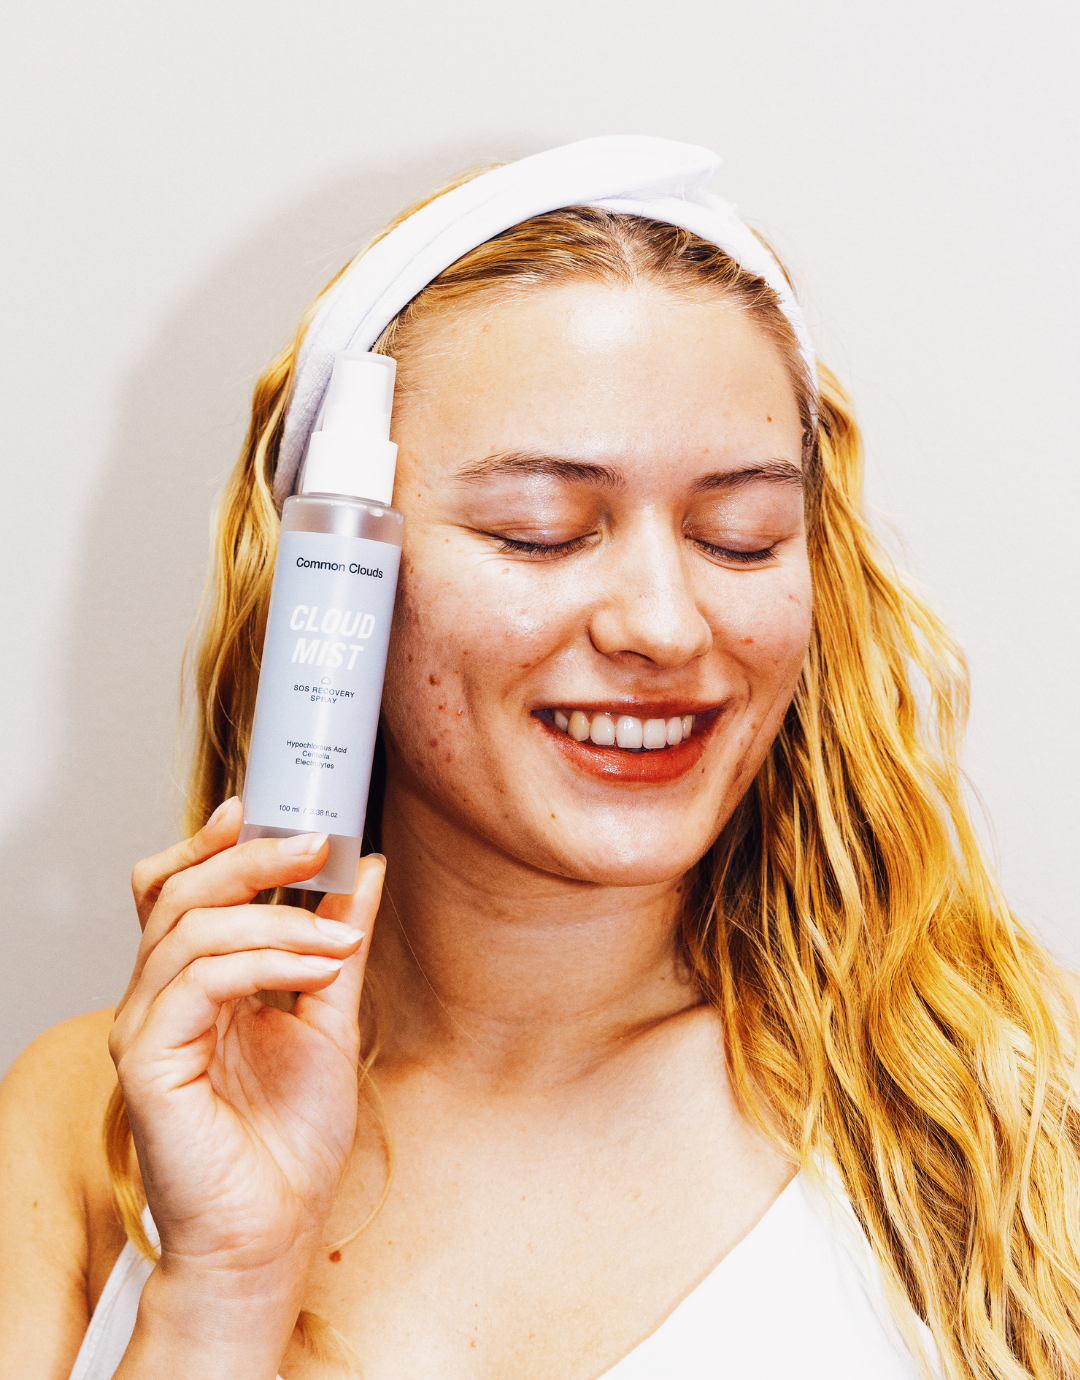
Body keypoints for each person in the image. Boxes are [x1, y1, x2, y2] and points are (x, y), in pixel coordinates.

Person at [1, 137, 1077, 1380]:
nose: (666, 627)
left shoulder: (982, 1128)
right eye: (542, 532)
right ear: (341, 586)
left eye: (741, 538)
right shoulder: (92, 1122)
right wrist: (220, 1295)